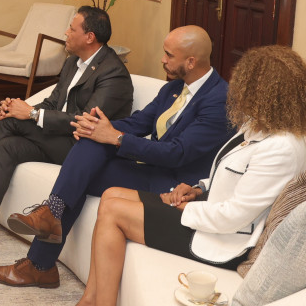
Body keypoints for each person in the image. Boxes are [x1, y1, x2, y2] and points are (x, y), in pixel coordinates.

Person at [0, 25, 234, 289]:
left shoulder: (219, 100)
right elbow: (139, 122)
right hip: (151, 169)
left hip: (175, 185)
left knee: (83, 168)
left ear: (191, 62)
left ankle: (41, 261)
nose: (162, 59)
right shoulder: (173, 88)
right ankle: (49, 226)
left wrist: (116, 137)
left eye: (169, 55)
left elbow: (177, 153)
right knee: (89, 146)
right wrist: (96, 127)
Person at [76, 46, 306, 306]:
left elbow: (234, 216)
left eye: (246, 86)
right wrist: (198, 189)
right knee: (112, 194)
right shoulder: (260, 126)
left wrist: (185, 208)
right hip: (209, 213)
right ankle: (90, 299)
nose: (238, 92)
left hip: (224, 240)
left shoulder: (283, 148)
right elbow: (235, 174)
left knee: (115, 211)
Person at [0, 6, 134, 257]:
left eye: (72, 29)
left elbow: (85, 123)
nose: (66, 33)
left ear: (89, 37)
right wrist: (18, 108)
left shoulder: (113, 74)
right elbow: (53, 103)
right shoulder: (72, 63)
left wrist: (30, 114)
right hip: (61, 140)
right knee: (7, 146)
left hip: (85, 151)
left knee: (10, 124)